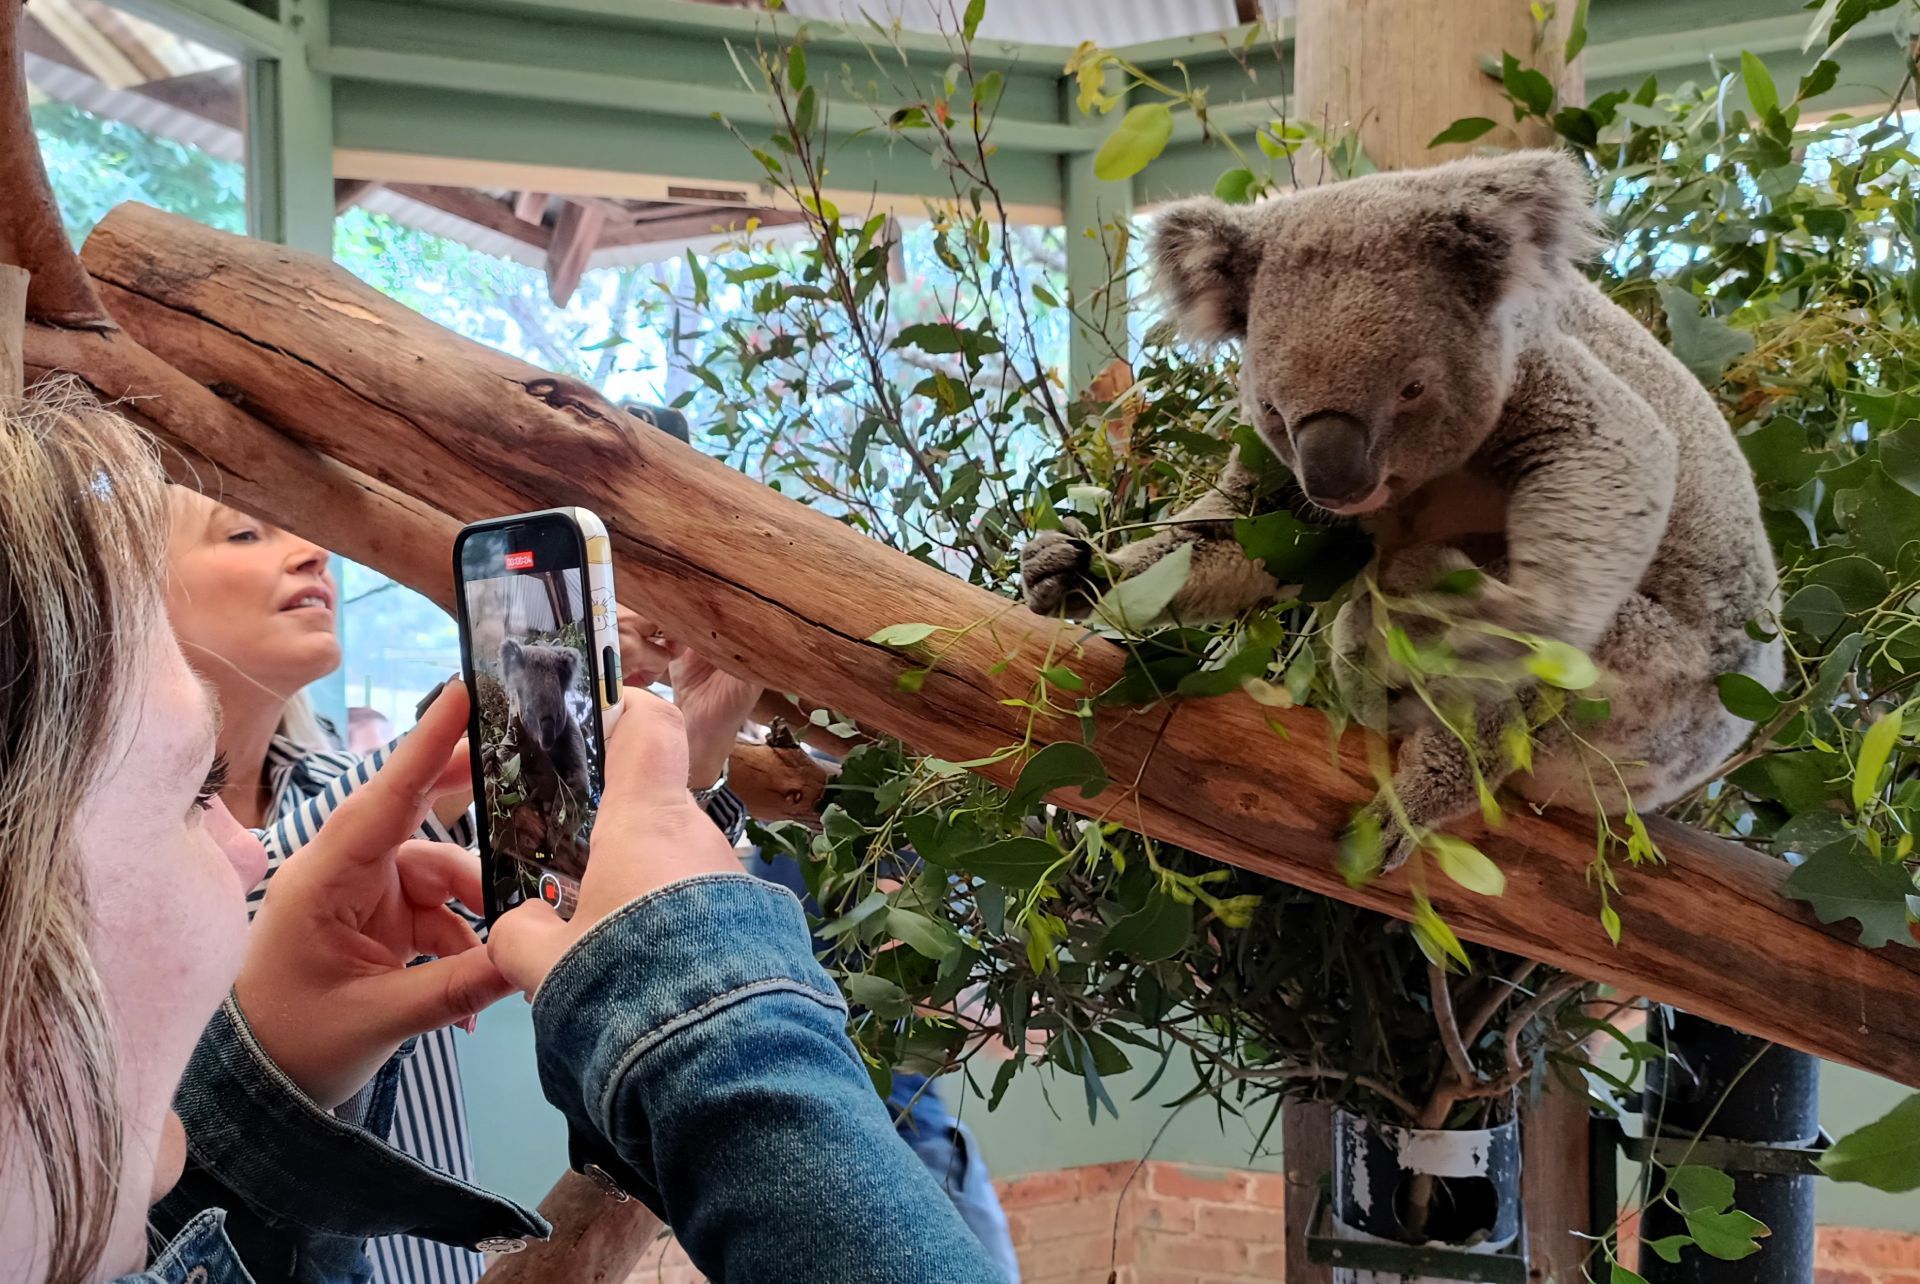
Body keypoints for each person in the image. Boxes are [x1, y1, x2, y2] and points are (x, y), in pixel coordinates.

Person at [1, 384, 1002, 1283]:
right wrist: (705, 1009)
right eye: (188, 789)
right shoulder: (348, 813)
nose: (246, 853)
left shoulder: (354, 807)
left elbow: (572, 847)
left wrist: (270, 1088)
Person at [162, 490, 765, 1281]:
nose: (314, 552)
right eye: (244, 532)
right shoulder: (101, 848)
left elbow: (581, 883)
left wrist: (696, 751)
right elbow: (282, 873)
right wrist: (509, 696)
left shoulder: (347, 786)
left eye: (309, 530)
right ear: (136, 594)